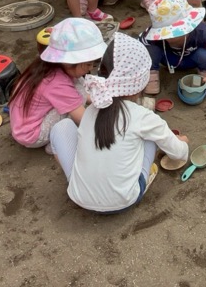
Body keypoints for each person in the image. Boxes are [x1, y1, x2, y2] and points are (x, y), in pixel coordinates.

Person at [49, 33, 190, 214]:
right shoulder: (143, 117)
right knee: (150, 138)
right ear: (140, 81)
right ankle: (143, 178)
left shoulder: (91, 110)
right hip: (124, 201)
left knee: (61, 127)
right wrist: (182, 143)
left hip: (79, 197)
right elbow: (179, 154)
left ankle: (80, 182)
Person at [9, 18, 107, 149]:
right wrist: (108, 128)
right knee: (79, 91)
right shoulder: (56, 83)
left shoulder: (47, 66)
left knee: (79, 86)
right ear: (69, 62)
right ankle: (57, 143)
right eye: (88, 64)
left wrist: (101, 99)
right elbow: (83, 119)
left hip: (23, 124)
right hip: (32, 135)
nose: (90, 68)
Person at [138, 0, 206, 108]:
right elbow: (138, 46)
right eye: (165, 34)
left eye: (173, 33)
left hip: (193, 58)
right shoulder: (149, 36)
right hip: (168, 59)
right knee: (150, 49)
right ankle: (152, 78)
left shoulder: (202, 32)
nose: (169, 37)